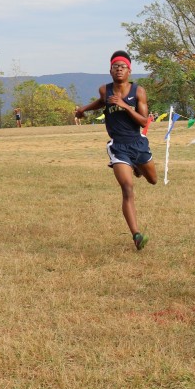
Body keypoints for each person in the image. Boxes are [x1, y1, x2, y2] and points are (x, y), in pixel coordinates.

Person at [73, 51, 157, 250]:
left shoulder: (138, 92)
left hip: (138, 142)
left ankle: (137, 167)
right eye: (115, 66)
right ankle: (136, 234)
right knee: (127, 189)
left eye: (123, 66)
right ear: (110, 70)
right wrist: (82, 110)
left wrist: (125, 106)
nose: (119, 69)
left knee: (153, 180)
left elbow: (145, 121)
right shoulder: (105, 90)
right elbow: (101, 102)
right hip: (118, 146)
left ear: (129, 71)